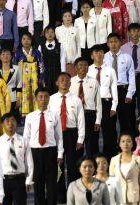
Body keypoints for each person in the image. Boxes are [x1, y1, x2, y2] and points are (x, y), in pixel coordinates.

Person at [23, 87, 63, 205]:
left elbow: (59, 136)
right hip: (35, 153)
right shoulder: (30, 116)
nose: (43, 99)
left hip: (51, 152)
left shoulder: (55, 115)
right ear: (36, 99)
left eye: (46, 97)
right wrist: (25, 156)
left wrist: (60, 153)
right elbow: (26, 138)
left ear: (49, 98)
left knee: (52, 187)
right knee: (38, 186)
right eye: (40, 97)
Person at [50, 72, 85, 202]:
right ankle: (60, 195)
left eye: (67, 80)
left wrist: (80, 139)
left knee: (72, 167)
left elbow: (81, 121)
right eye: (62, 80)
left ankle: (72, 195)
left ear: (70, 83)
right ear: (57, 83)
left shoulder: (76, 100)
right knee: (58, 166)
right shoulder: (51, 99)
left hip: (71, 134)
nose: (64, 82)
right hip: (55, 135)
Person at [109, 132, 140, 205]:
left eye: (128, 141)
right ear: (119, 144)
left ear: (133, 144)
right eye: (123, 141)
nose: (125, 144)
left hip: (133, 199)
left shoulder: (139, 160)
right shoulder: (113, 160)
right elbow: (111, 183)